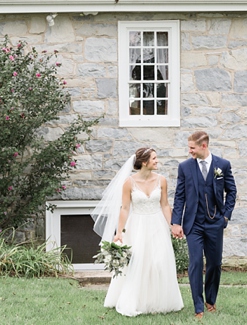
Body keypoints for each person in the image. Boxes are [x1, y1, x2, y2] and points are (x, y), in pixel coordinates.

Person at [91, 147, 184, 317]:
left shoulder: (161, 180)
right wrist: (119, 232)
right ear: (143, 162)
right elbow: (125, 208)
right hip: (137, 225)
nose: (157, 161)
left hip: (157, 224)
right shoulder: (129, 183)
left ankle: (159, 301)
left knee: (158, 261)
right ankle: (136, 301)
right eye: (154, 158)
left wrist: (172, 225)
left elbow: (164, 205)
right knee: (139, 262)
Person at [171, 131, 237, 318]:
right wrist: (176, 222)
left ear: (204, 146)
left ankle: (211, 300)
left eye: (192, 147)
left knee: (215, 264)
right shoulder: (184, 167)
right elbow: (180, 196)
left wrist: (225, 216)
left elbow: (231, 191)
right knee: (196, 263)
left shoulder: (222, 165)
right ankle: (198, 306)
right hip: (193, 224)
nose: (189, 151)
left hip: (215, 222)